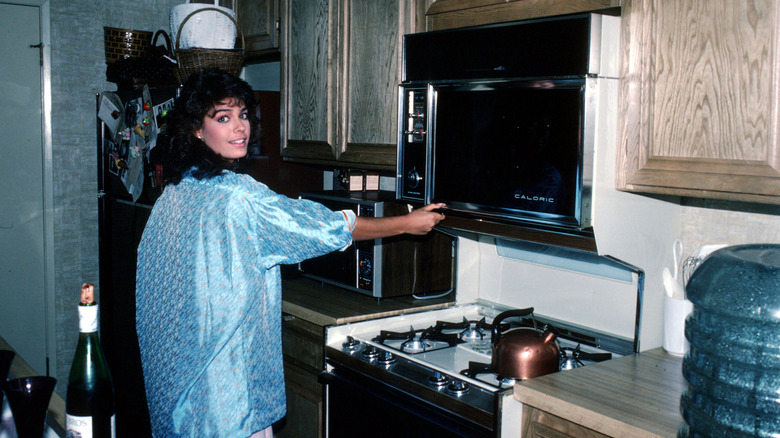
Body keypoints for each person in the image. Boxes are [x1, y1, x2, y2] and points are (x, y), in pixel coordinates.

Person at [135, 70, 445, 438]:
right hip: (225, 400)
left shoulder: (175, 192)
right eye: (223, 117)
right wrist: (406, 223)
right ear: (197, 130)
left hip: (176, 389)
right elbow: (323, 227)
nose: (240, 128)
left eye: (244, 115)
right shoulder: (239, 197)